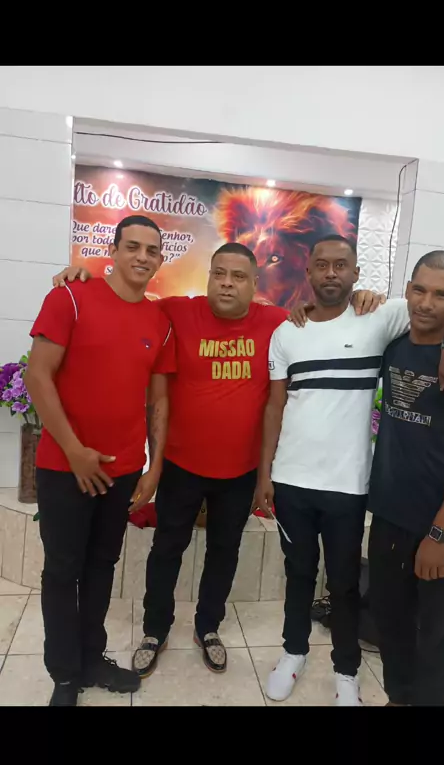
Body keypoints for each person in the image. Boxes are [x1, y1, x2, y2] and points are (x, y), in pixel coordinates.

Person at [52, 244, 385, 678]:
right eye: (219, 274)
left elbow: (321, 314)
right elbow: (126, 297)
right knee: (167, 549)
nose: (227, 283)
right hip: (181, 465)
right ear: (209, 277)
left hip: (240, 472)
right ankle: (155, 629)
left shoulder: (278, 322)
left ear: (255, 284)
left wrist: (363, 298)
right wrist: (83, 279)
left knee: (224, 553)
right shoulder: (176, 311)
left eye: (238, 276)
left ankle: (207, 627)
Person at [255, 235, 444, 705]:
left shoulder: (384, 318)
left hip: (360, 489)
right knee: (316, 582)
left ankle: (346, 671)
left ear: (357, 273)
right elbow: (274, 405)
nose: (331, 273)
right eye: (322, 264)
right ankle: (295, 654)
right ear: (308, 272)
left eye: (341, 265)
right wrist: (265, 474)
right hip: (330, 493)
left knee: (352, 588)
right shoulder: (294, 332)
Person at [25, 215, 176, 706]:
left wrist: (154, 466)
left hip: (123, 469)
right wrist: (75, 451)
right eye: (132, 246)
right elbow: (37, 376)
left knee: (102, 566)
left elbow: (158, 400)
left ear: (160, 260)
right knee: (62, 570)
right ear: (112, 250)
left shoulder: (159, 321)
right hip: (64, 467)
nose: (142, 257)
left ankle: (92, 658)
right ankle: (64, 674)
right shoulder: (70, 297)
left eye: (151, 250)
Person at [368, 251, 444, 707]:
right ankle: (397, 699)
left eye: (442, 294)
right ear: (407, 288)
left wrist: (440, 533)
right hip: (389, 519)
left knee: (436, 640)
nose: (427, 303)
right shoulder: (394, 345)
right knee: (390, 626)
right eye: (419, 289)